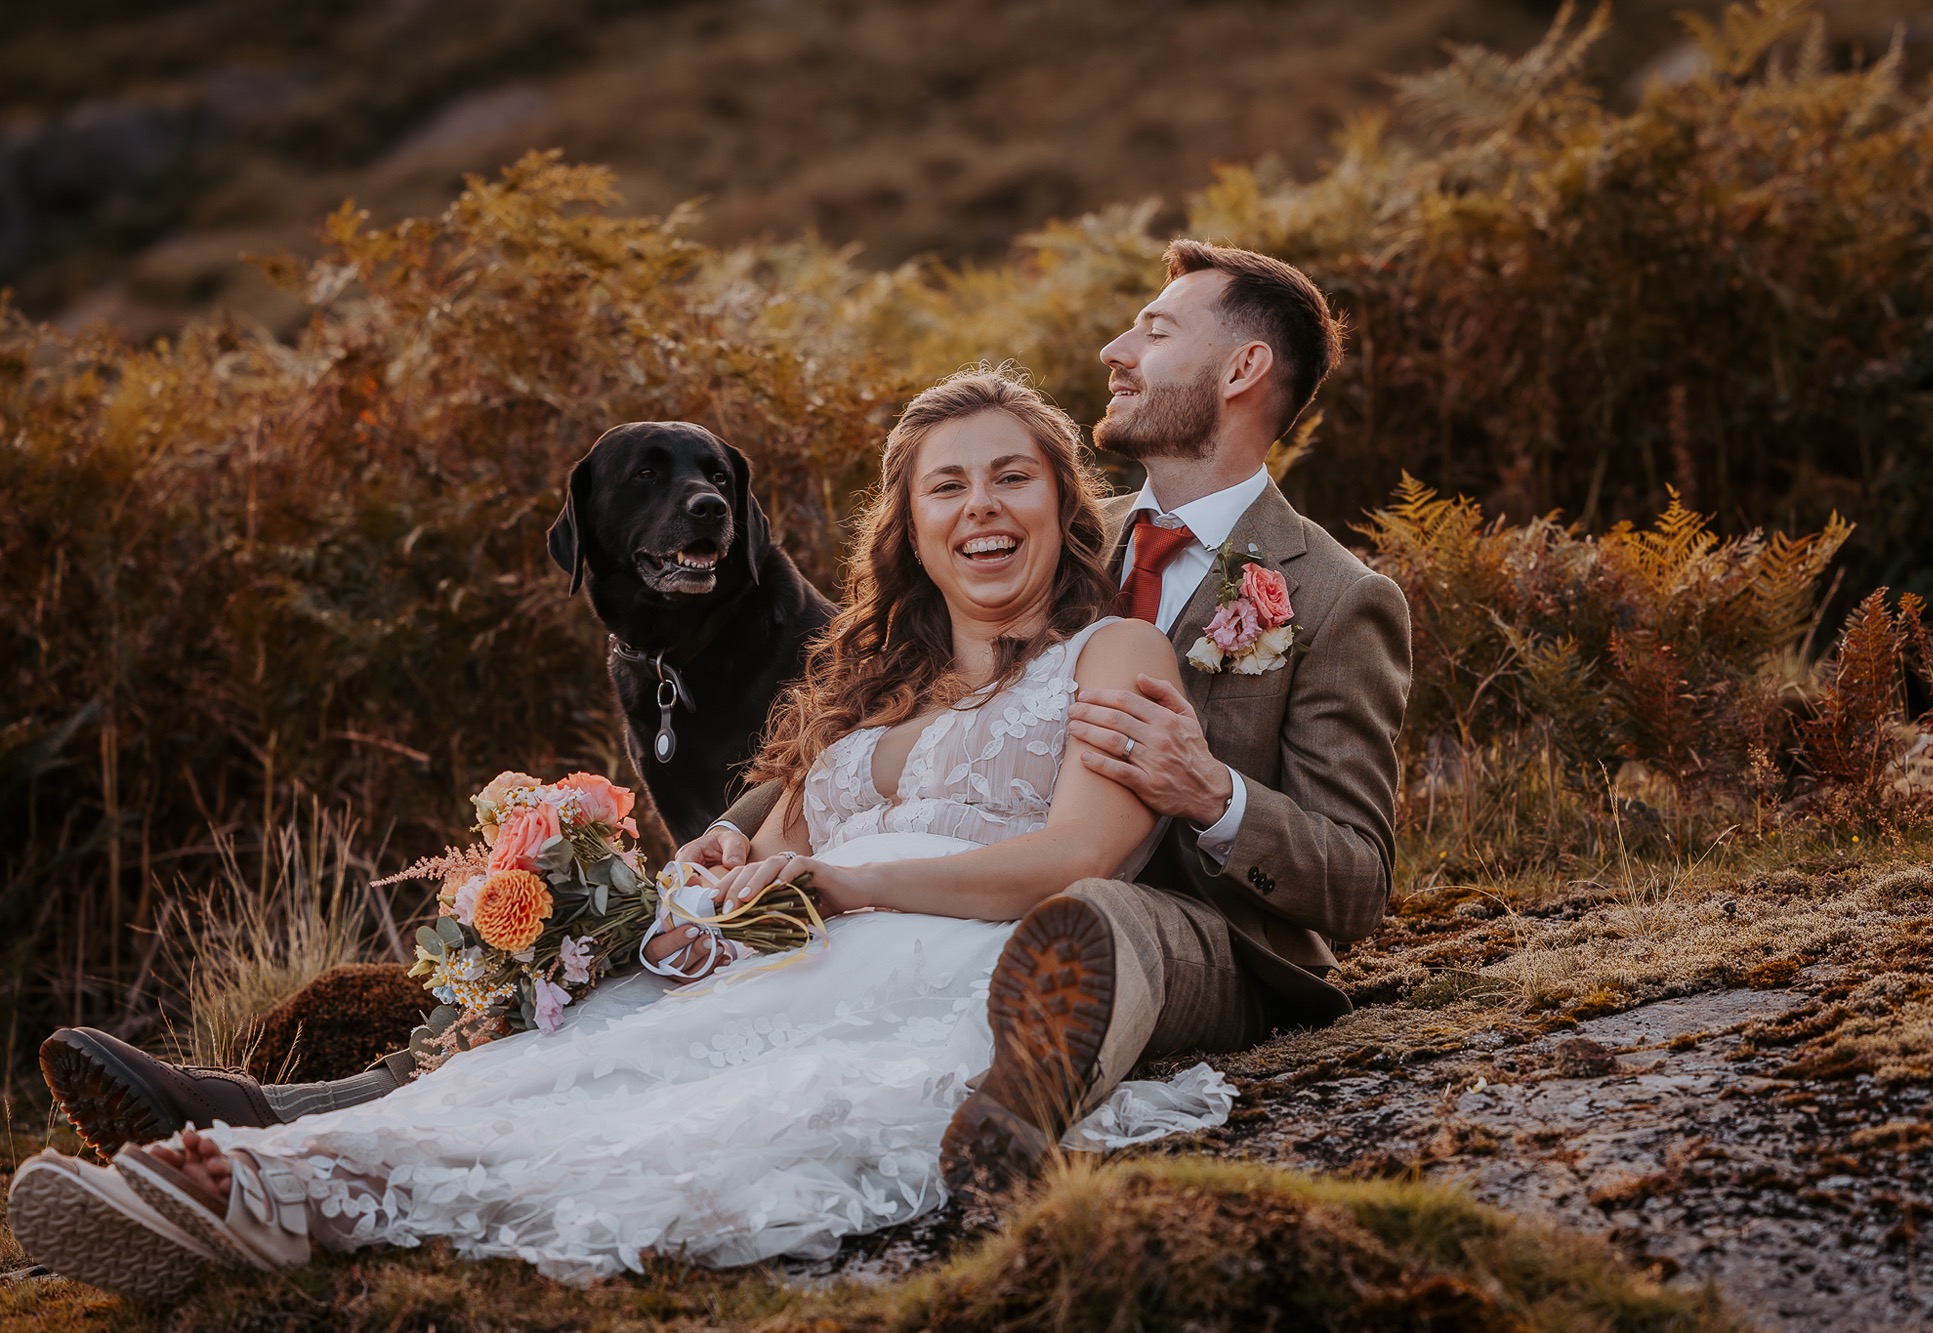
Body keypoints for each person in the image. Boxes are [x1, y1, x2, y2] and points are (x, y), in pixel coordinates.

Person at [8, 368, 1241, 1296]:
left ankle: (282, 1197)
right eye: (947, 485)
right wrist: (723, 860)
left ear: (1059, 501)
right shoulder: (865, 683)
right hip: (798, 934)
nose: (981, 510)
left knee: (670, 1113)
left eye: (1010, 477)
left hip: (947, 951)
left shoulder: (1112, 652)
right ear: (907, 524)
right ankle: (265, 1178)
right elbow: (774, 841)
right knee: (557, 1058)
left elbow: (1084, 855)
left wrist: (841, 883)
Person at [687, 240, 1411, 1196]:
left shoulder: (1333, 595)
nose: (1115, 349)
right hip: (964, 883)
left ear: (1242, 369)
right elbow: (891, 704)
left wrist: (1213, 795)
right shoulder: (1032, 529)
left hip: (1197, 927)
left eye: (1154, 332)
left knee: (1096, 913)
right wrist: (740, 828)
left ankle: (1021, 1097)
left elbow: (1359, 881)